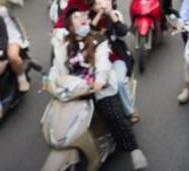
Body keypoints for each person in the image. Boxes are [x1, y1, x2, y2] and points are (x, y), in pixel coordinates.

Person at [50, 9, 148, 169]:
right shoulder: (63, 44)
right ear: (70, 25)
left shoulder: (99, 39)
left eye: (83, 16)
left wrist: (100, 81)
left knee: (113, 114)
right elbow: (57, 67)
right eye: (76, 17)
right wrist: (50, 81)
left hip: (96, 87)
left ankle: (133, 149)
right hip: (73, 89)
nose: (82, 18)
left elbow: (103, 63)